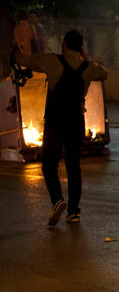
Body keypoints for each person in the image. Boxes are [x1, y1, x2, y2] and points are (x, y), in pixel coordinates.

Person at [13, 28, 108, 226]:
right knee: (74, 166)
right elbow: (104, 73)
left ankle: (57, 200)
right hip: (75, 121)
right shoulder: (88, 66)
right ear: (80, 47)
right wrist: (87, 59)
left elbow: (26, 61)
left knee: (49, 164)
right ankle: (73, 212)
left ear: (64, 44)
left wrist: (17, 54)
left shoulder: (51, 60)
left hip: (55, 121)